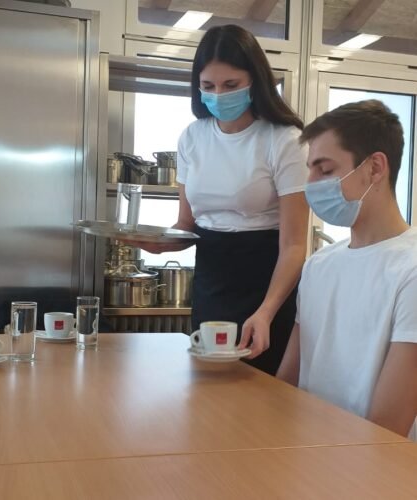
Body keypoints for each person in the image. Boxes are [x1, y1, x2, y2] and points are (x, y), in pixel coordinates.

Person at [137, 25, 309, 375]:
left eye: (230, 85)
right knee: (207, 383)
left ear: (255, 81)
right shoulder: (193, 137)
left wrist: (266, 312)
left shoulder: (285, 140)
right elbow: (187, 224)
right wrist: (156, 242)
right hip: (211, 281)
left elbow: (293, 245)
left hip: (267, 283)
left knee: (262, 391)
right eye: (208, 86)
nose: (218, 95)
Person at [272, 100, 417, 437]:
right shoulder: (318, 266)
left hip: (369, 463)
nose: (310, 184)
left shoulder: (409, 271)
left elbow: (388, 429)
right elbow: (287, 384)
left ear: (375, 168)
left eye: (324, 171)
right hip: (305, 450)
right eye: (309, 170)